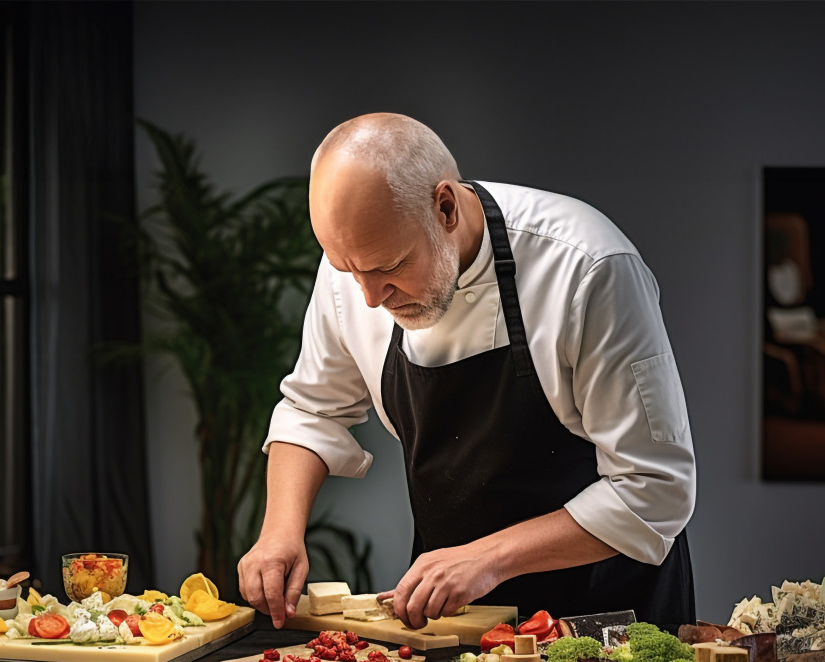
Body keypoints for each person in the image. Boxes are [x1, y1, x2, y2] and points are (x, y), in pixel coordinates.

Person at [237, 113, 696, 631]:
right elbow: (313, 409)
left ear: (446, 207)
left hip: (605, 606)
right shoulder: (359, 257)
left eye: (390, 267)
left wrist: (487, 558)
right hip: (453, 612)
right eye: (349, 271)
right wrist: (279, 532)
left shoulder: (588, 266)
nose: (370, 298)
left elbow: (655, 487)